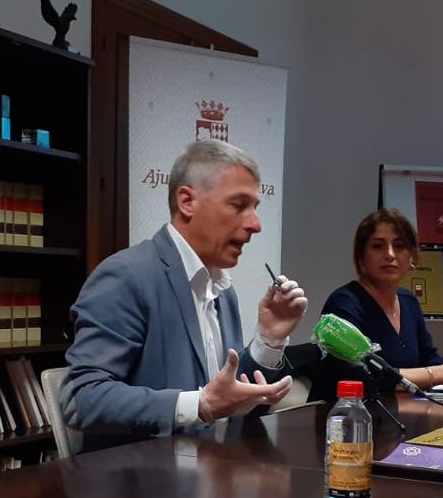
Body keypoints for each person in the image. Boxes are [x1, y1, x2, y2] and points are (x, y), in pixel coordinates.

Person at [61, 139, 308, 451]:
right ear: (187, 201)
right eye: (238, 205)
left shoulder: (222, 288)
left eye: (255, 208)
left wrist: (268, 340)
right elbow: (81, 399)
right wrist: (199, 404)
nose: (255, 224)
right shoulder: (126, 276)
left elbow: (225, 398)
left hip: (215, 479)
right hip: (144, 492)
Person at [308, 209, 443, 403]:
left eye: (399, 246)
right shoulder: (344, 303)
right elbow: (362, 377)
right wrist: (442, 373)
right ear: (361, 258)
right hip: (348, 419)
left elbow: (430, 360)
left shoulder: (408, 301)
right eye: (378, 246)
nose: (390, 254)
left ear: (412, 257)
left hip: (400, 417)